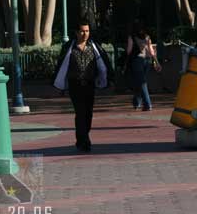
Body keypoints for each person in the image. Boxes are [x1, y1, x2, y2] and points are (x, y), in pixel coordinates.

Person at [53, 19, 114, 152]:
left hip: (89, 85)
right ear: (76, 32)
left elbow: (104, 64)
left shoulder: (94, 47)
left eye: (87, 31)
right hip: (75, 85)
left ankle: (82, 137)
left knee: (88, 113)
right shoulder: (69, 48)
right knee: (80, 112)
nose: (84, 34)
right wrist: (61, 86)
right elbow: (62, 67)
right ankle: (84, 141)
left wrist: (107, 79)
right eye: (82, 31)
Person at [126, 21, 161, 111]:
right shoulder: (147, 37)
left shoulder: (132, 37)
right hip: (147, 61)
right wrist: (157, 62)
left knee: (141, 82)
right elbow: (151, 50)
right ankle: (136, 102)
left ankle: (147, 104)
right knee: (141, 82)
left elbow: (129, 51)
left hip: (137, 60)